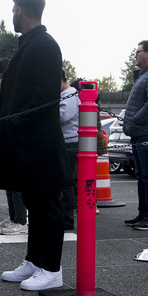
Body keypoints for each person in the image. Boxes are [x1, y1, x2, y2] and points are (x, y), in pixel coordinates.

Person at [0, 0, 67, 291]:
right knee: (35, 204)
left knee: (47, 205)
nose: (12, 15)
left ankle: (52, 268)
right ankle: (35, 261)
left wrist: (14, 120)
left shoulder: (46, 45)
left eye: (13, 10)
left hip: (40, 143)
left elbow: (45, 97)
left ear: (21, 10)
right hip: (27, 142)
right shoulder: (29, 44)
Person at [122, 39, 148, 229]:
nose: (135, 55)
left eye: (138, 52)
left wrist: (134, 120)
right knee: (143, 176)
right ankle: (143, 214)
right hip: (140, 134)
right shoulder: (145, 75)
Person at [0, 57, 28, 235]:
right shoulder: (12, 88)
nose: (0, 81)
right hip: (10, 138)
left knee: (16, 185)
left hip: (18, 139)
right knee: (9, 183)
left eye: (0, 77)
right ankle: (14, 217)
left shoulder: (19, 87)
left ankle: (21, 220)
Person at [58, 69, 80, 231]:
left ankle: (67, 219)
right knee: (65, 183)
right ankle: (64, 217)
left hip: (70, 143)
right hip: (68, 143)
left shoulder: (71, 95)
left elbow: (62, 116)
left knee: (66, 183)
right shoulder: (67, 95)